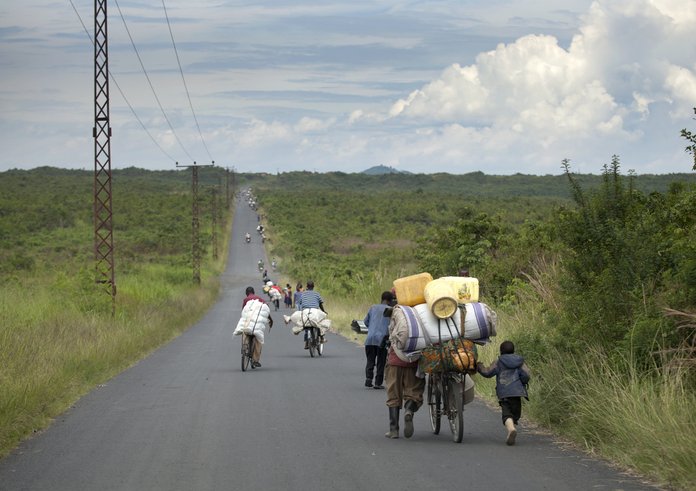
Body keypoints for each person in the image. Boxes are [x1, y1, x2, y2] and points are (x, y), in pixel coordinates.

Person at [477, 340, 530, 445]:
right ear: (513, 350)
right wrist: (522, 382)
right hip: (517, 392)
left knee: (507, 415)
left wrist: (479, 366)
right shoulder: (520, 362)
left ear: (501, 351)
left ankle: (511, 429)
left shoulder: (499, 362)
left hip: (504, 393)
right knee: (515, 414)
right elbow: (526, 375)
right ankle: (513, 425)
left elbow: (487, 372)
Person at [384, 307, 425, 439]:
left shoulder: (397, 314)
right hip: (414, 361)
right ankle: (409, 410)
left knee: (393, 394)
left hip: (395, 361)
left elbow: (391, 335)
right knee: (414, 392)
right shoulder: (421, 313)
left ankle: (394, 430)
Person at [363, 291, 394, 389]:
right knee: (381, 361)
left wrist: (372, 328)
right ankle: (378, 383)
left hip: (370, 339)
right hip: (382, 340)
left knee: (370, 360)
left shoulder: (373, 307)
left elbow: (366, 321)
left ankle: (368, 379)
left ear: (381, 299)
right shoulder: (391, 310)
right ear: (390, 301)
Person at [241, 286, 273, 368]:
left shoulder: (245, 300)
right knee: (259, 340)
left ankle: (244, 347)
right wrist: (270, 320)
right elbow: (266, 310)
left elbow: (243, 312)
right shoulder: (259, 298)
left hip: (248, 323)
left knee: (245, 333)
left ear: (246, 293)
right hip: (257, 324)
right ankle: (255, 360)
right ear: (254, 292)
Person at [296, 280, 326, 348]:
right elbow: (320, 304)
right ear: (313, 287)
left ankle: (306, 342)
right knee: (319, 324)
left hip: (305, 312)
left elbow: (300, 303)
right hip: (315, 311)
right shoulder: (317, 294)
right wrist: (324, 311)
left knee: (306, 326)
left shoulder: (303, 294)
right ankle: (321, 338)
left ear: (307, 286)